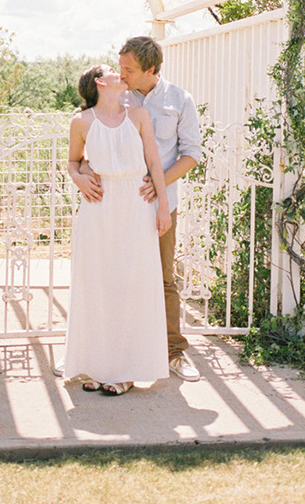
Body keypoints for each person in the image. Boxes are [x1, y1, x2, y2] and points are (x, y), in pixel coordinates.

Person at [62, 63, 170, 396]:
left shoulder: (138, 115)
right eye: (113, 69)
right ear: (99, 82)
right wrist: (80, 179)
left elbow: (154, 163)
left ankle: (125, 371)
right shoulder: (81, 122)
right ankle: (97, 366)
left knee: (131, 285)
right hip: (98, 208)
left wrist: (162, 207)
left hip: (135, 206)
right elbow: (72, 162)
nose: (120, 73)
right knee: (98, 284)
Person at [117, 36, 203, 382]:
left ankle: (174, 353)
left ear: (150, 70)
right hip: (120, 206)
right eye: (120, 66)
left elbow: (192, 153)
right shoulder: (116, 97)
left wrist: (159, 182)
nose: (121, 74)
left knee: (164, 278)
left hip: (162, 206)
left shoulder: (180, 100)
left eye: (129, 69)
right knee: (117, 276)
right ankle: (109, 352)